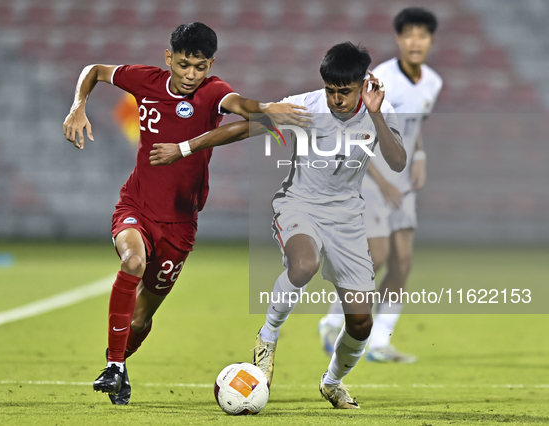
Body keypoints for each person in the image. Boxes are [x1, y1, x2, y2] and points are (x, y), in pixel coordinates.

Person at [62, 22, 309, 405]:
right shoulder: (145, 80)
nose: (191, 75)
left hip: (180, 224)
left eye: (199, 67)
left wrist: (263, 110)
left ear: (211, 64)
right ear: (168, 59)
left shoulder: (213, 92)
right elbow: (93, 71)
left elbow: (241, 108)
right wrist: (78, 106)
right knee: (132, 260)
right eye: (182, 65)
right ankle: (113, 366)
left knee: (141, 319)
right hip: (137, 206)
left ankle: (120, 366)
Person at [150, 42, 406, 409]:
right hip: (299, 205)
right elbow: (242, 129)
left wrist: (378, 115)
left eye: (344, 92)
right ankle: (267, 337)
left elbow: (397, 162)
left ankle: (332, 383)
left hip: (348, 218)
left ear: (363, 84)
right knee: (304, 265)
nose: (336, 100)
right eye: (330, 91)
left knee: (361, 322)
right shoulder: (305, 107)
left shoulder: (380, 110)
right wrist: (184, 148)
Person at [318, 7, 443, 363]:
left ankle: (380, 340)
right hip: (371, 178)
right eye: (409, 34)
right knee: (378, 256)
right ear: (398, 39)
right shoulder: (379, 79)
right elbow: (360, 133)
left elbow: (411, 132)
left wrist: (418, 158)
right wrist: (381, 180)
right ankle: (334, 321)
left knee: (403, 263)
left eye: (422, 35)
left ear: (431, 41)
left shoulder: (432, 82)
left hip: (401, 182)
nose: (415, 41)